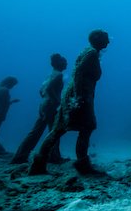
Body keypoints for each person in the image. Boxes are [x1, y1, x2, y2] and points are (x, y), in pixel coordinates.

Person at [29, 29, 109, 175]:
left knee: (59, 129)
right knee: (87, 127)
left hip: (75, 93)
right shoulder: (91, 53)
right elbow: (79, 72)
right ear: (98, 40)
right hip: (81, 95)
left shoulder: (89, 51)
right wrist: (78, 97)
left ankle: (38, 163)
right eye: (106, 38)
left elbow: (78, 72)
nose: (108, 41)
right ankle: (83, 165)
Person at [11, 53, 68, 164]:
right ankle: (54, 157)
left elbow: (41, 91)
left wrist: (47, 99)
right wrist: (58, 101)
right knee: (54, 131)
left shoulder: (51, 74)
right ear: (59, 63)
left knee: (36, 132)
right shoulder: (59, 75)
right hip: (50, 106)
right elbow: (50, 89)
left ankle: (20, 156)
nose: (66, 63)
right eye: (64, 62)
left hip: (44, 105)